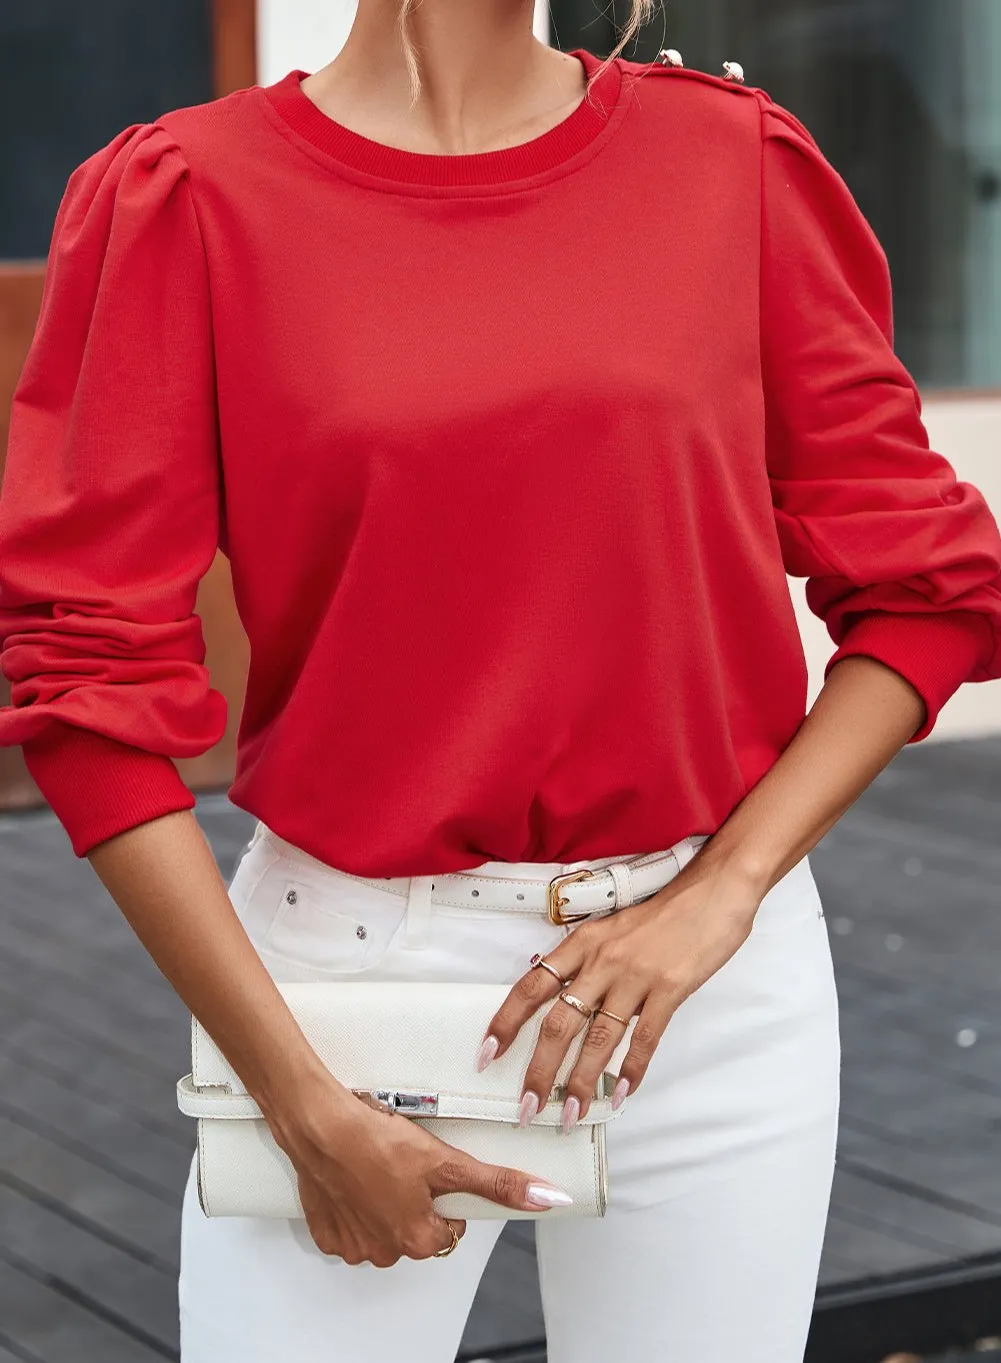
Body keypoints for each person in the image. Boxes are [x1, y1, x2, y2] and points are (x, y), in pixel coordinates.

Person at [1, 3, 1000, 1361]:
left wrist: (724, 894)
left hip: (711, 982)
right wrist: (293, 1095)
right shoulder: (192, 196)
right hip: (341, 992)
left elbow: (934, 587)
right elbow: (80, 675)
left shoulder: (732, 168)